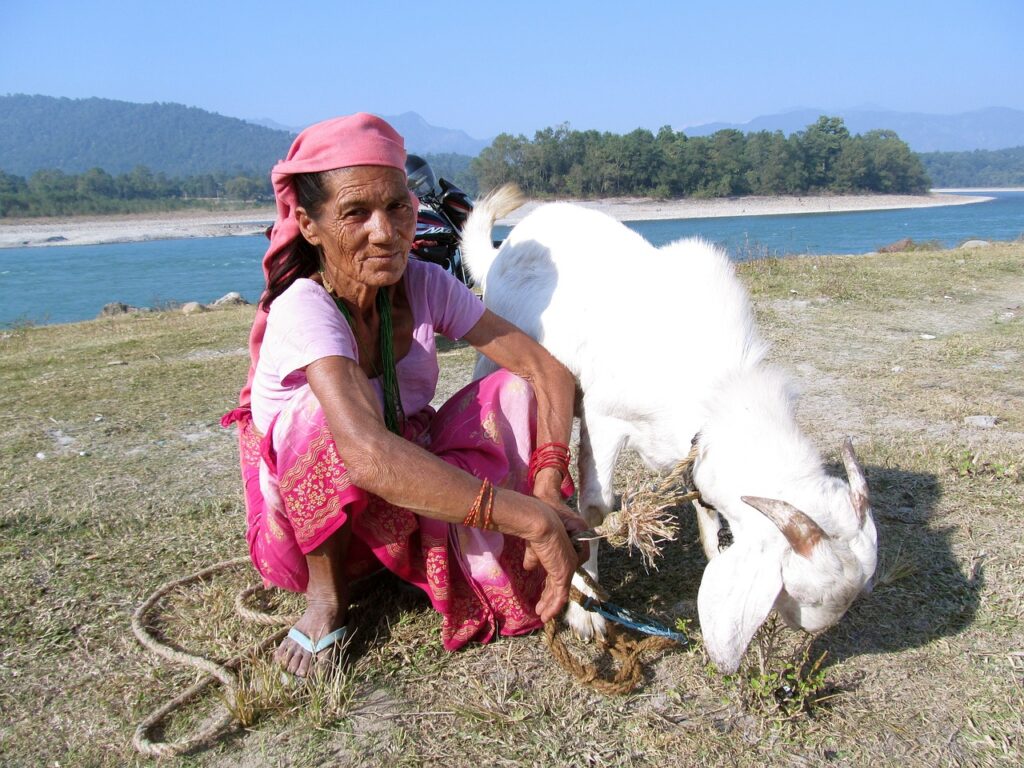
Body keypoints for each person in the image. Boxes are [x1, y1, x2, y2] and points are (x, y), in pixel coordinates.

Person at [222, 113, 587, 677]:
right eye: (355, 213)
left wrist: (547, 484)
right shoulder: (303, 307)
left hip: (403, 484)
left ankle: (433, 556)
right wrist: (532, 522)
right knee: (316, 416)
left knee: (512, 385)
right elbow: (366, 454)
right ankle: (329, 598)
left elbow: (547, 372)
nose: (385, 231)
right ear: (310, 224)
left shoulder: (424, 283)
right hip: (309, 528)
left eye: (397, 206)